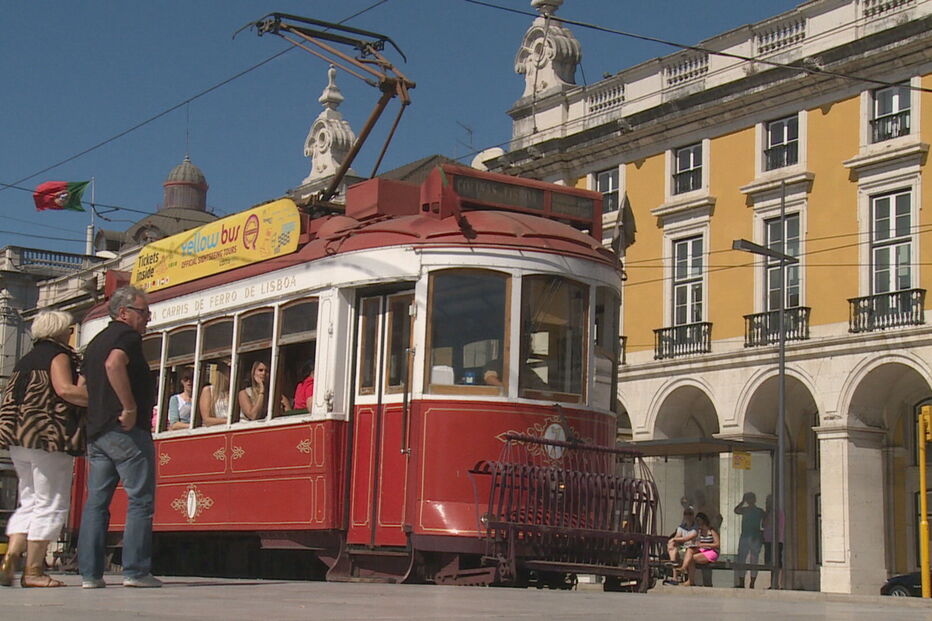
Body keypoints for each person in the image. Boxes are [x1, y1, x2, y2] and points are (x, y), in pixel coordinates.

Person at [77, 285, 162, 589]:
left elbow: (81, 387)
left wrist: (101, 406)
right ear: (124, 312)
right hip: (125, 430)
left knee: (96, 503)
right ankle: (135, 571)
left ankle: (90, 574)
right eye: (143, 312)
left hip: (98, 432)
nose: (148, 318)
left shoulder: (95, 342)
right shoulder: (127, 336)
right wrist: (128, 406)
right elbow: (114, 364)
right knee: (140, 499)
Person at [0, 311, 87, 588]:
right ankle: (34, 571)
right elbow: (65, 390)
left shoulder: (26, 359)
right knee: (51, 502)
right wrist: (101, 399)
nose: (71, 333)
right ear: (59, 330)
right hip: (48, 437)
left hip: (18, 438)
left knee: (29, 500)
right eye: (68, 328)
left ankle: (10, 559)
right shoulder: (58, 355)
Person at [733, 491, 765, 588]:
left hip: (754, 537)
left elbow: (765, 522)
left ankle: (752, 582)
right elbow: (736, 510)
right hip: (745, 536)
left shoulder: (759, 511)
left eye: (751, 498)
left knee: (753, 560)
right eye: (748, 499)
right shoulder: (745, 510)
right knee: (742, 559)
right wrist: (742, 501)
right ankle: (742, 582)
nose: (750, 500)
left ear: (754, 500)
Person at [680, 512, 720, 587]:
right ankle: (683, 567)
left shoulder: (711, 531)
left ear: (703, 520)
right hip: (701, 550)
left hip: (712, 551)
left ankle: (690, 580)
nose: (697, 522)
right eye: (696, 520)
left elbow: (717, 544)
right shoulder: (698, 531)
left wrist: (704, 545)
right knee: (689, 550)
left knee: (691, 558)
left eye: (699, 520)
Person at [664, 507, 697, 585]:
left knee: (687, 551)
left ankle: (681, 570)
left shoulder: (696, 527)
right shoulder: (681, 527)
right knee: (673, 548)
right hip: (684, 548)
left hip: (695, 548)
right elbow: (678, 536)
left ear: (693, 516)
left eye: (690, 514)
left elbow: (688, 538)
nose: (688, 516)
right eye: (686, 514)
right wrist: (673, 541)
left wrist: (674, 539)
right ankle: (675, 576)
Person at [762, 493, 785, 589]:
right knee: (770, 562)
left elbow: (770, 524)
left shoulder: (777, 513)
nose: (767, 504)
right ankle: (773, 583)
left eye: (768, 502)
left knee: (777, 562)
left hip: (776, 540)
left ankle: (778, 583)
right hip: (768, 540)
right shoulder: (769, 513)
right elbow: (763, 525)